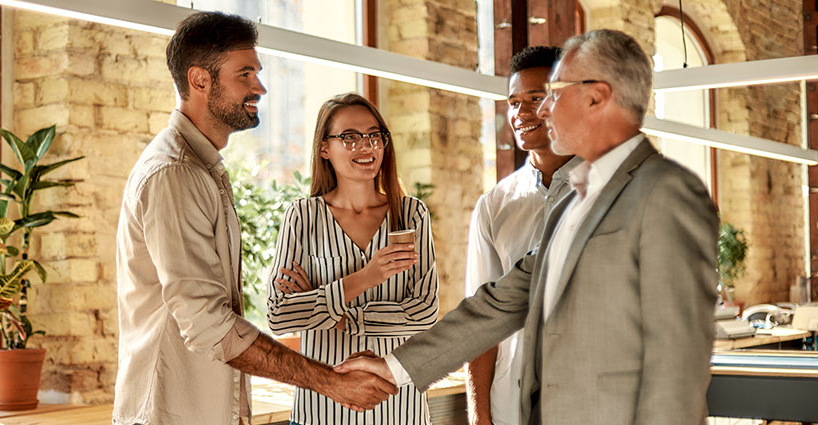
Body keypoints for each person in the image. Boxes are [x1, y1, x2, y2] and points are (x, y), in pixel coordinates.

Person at [336, 29, 719, 425]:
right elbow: (499, 303)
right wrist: (398, 368)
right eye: (518, 102)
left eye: (545, 97)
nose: (530, 112)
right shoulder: (520, 204)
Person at [114, 13, 395, 425]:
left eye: (257, 73)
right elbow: (207, 322)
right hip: (170, 414)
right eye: (244, 74)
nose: (259, 87)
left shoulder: (205, 168)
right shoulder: (175, 173)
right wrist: (329, 381)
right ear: (199, 80)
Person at [267, 93, 439, 425]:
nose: (366, 146)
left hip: (401, 412)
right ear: (324, 148)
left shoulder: (411, 214)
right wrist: (366, 277)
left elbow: (424, 312)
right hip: (321, 413)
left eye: (375, 136)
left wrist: (335, 314)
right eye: (349, 137)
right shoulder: (302, 216)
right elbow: (279, 315)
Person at [465, 46, 580, 425]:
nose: (520, 114)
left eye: (536, 98)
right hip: (513, 407)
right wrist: (480, 418)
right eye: (514, 102)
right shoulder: (495, 206)